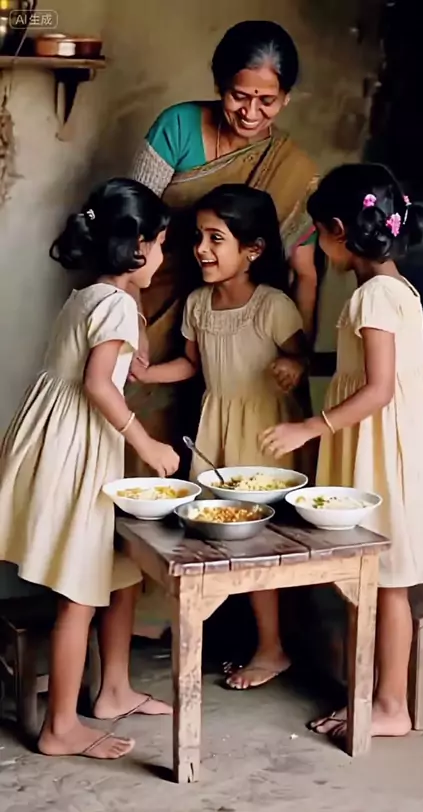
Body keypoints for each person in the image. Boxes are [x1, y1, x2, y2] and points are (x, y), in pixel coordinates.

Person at [261, 163, 423, 738]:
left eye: (317, 234)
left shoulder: (374, 296)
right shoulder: (393, 286)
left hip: (386, 441)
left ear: (337, 230)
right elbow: (368, 368)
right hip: (394, 435)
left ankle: (390, 706)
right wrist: (310, 364)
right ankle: (374, 696)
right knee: (378, 579)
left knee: (386, 579)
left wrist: (309, 427)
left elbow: (377, 389)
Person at [0, 178, 179, 760]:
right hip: (77, 448)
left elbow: (131, 363)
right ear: (138, 247)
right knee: (80, 592)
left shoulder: (92, 295)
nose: (165, 257)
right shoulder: (117, 304)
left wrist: (138, 301)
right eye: (161, 245)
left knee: (117, 571)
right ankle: (60, 727)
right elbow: (101, 385)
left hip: (60, 438)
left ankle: (114, 689)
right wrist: (148, 444)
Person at [131, 184, 308, 689]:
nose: (202, 249)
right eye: (198, 237)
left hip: (265, 435)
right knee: (216, 535)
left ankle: (273, 649)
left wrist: (295, 365)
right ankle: (235, 638)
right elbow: (191, 365)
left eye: (216, 238)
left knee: (261, 543)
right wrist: (147, 374)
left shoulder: (273, 306)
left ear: (253, 250)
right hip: (217, 430)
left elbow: (301, 356)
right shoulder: (198, 304)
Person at [127, 20, 319, 470]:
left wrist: (298, 356)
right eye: (239, 96)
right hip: (152, 303)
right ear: (219, 85)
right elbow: (131, 229)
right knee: (142, 439)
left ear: (286, 98)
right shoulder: (178, 127)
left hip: (244, 336)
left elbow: (304, 272)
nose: (251, 112)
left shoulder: (292, 167)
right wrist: (134, 318)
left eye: (267, 101)